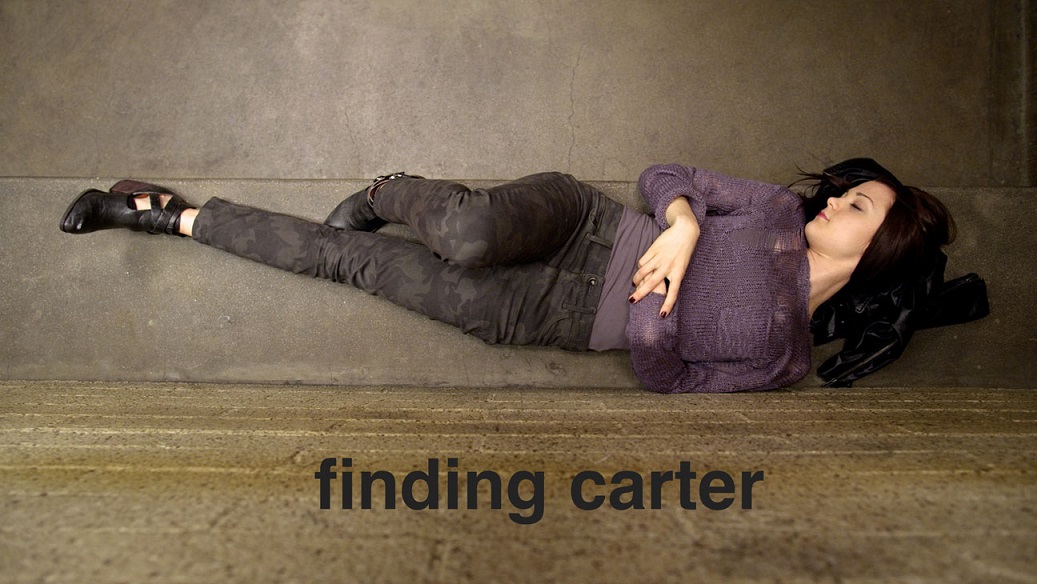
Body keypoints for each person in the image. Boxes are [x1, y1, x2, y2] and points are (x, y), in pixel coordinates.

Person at [58, 159, 955, 393]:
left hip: (549, 315)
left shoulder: (784, 358)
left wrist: (651, 322)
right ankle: (388, 189)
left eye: (856, 207)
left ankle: (165, 215)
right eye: (846, 193)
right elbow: (665, 174)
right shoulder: (770, 213)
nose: (834, 202)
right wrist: (682, 227)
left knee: (355, 264)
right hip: (587, 223)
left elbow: (674, 381)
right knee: (469, 232)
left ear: (879, 248)